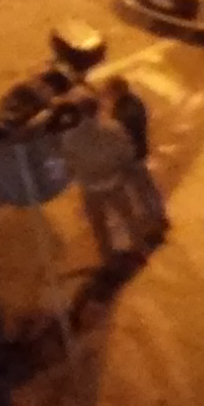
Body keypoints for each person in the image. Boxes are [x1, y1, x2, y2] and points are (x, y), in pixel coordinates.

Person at [60, 97, 147, 271]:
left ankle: (108, 259)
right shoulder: (113, 128)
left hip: (91, 187)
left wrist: (81, 175)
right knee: (129, 218)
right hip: (114, 181)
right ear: (98, 109)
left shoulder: (70, 137)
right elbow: (127, 152)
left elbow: (69, 164)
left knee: (99, 226)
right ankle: (139, 250)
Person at [100, 77, 166, 247]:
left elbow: (120, 137)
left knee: (142, 191)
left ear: (116, 91)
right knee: (147, 187)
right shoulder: (134, 102)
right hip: (139, 152)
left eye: (109, 92)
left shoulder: (124, 113)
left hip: (132, 156)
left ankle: (155, 225)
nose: (108, 96)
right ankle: (159, 217)